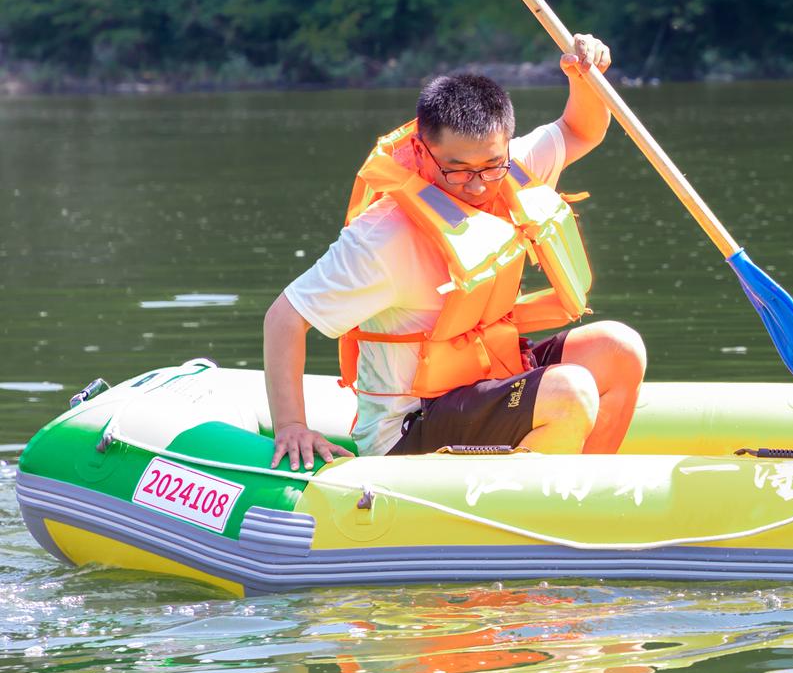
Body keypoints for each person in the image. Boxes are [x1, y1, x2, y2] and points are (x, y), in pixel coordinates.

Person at [263, 36, 646, 469]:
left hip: (492, 381)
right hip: (411, 428)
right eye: (458, 171)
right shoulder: (383, 237)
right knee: (570, 389)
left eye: (490, 166)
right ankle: (526, 518)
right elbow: (285, 317)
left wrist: (584, 77)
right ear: (423, 153)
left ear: (505, 145)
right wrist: (291, 424)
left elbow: (581, 129)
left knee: (619, 348)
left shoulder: (510, 167)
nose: (479, 185)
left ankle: (587, 491)